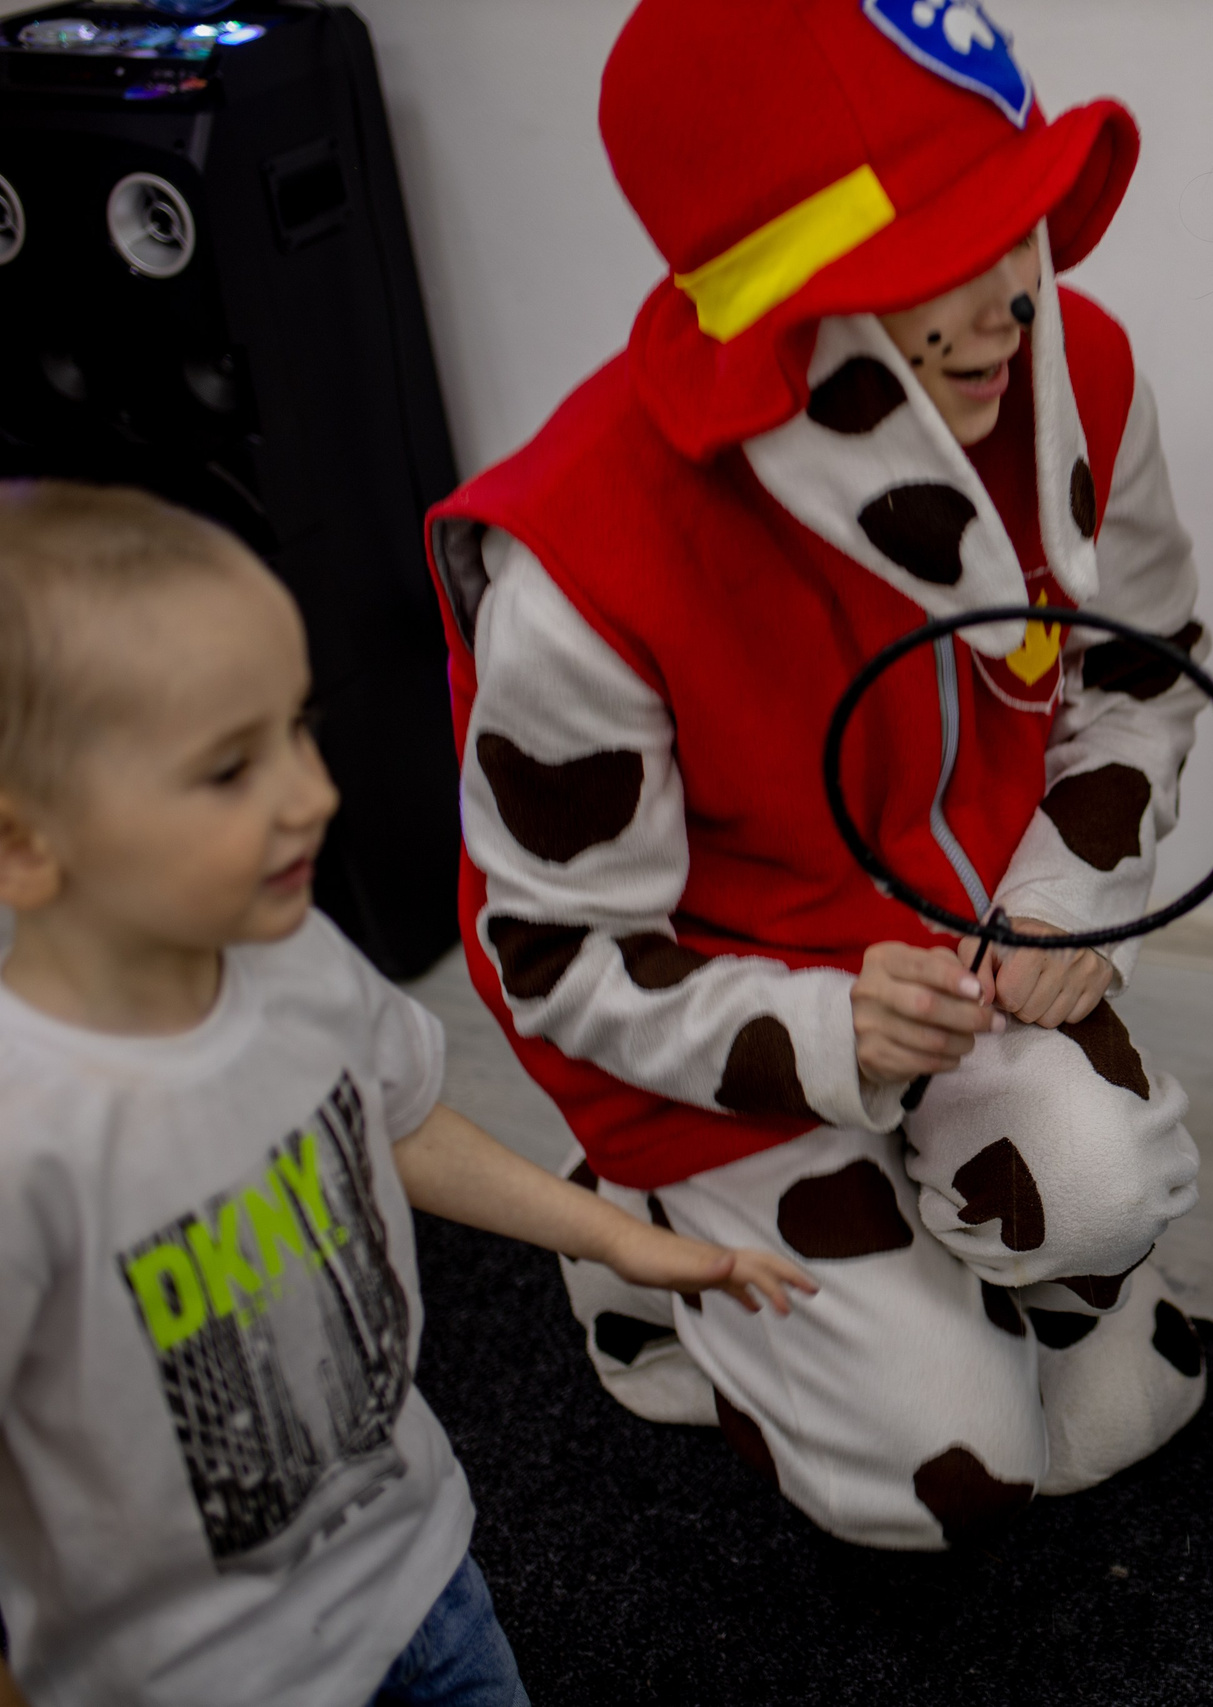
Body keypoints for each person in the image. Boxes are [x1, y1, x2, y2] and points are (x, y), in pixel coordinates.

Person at [419, 0, 1213, 1549]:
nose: (1010, 303)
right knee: (953, 1475)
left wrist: (1062, 902)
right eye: (936, 260)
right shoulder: (587, 558)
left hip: (973, 960)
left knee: (1110, 1291)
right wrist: (821, 1026)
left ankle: (955, 1213)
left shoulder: (1080, 369)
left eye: (1017, 222)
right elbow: (554, 953)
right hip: (710, 1035)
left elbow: (1138, 677)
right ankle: (639, 1243)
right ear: (795, 306)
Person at [0, 483, 811, 1707]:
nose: (312, 793)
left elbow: (405, 1118)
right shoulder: (27, 1130)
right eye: (229, 768)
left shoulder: (305, 967)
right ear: (23, 845)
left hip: (420, 1572)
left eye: (298, 728)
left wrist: (616, 1240)